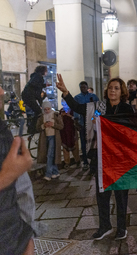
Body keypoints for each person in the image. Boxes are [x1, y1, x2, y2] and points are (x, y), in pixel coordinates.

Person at [56, 74, 134, 241]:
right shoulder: (98, 107)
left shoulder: (127, 109)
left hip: (120, 158)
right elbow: (77, 107)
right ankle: (105, 226)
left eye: (116, 88)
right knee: (102, 192)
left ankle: (121, 228)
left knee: (121, 194)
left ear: (122, 92)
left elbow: (132, 131)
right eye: (110, 88)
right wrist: (65, 92)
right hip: (102, 156)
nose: (112, 90)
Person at [0, 86, 35, 255]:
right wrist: (5, 177)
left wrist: (26, 236)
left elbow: (22, 190)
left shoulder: (3, 132)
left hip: (12, 239)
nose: (1, 92)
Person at [74, 81, 99, 171]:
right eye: (81, 87)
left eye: (84, 87)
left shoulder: (93, 96)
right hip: (82, 122)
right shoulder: (77, 98)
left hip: (92, 121)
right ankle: (85, 161)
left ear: (87, 87)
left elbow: (98, 107)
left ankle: (93, 160)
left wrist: (95, 118)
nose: (83, 89)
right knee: (84, 142)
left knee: (93, 141)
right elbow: (75, 110)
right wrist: (76, 121)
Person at [36, 101, 64, 181]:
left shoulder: (55, 115)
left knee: (50, 155)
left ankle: (48, 174)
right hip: (45, 138)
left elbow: (61, 126)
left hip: (54, 137)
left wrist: (53, 125)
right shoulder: (41, 116)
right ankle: (55, 172)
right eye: (45, 109)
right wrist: (43, 125)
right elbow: (37, 128)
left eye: (48, 109)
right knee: (51, 155)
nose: (47, 111)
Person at [22, 65, 48, 134]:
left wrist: (44, 85)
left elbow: (35, 85)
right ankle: (32, 128)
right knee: (38, 112)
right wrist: (40, 101)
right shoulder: (39, 77)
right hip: (30, 96)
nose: (47, 72)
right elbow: (37, 88)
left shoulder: (35, 76)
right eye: (46, 71)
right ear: (43, 71)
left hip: (27, 96)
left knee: (37, 111)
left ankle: (32, 128)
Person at [60, 99, 81, 169]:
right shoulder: (61, 111)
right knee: (65, 148)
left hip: (72, 131)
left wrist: (70, 116)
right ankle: (67, 163)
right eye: (63, 103)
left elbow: (77, 119)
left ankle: (77, 161)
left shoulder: (72, 110)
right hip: (64, 132)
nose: (65, 105)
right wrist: (62, 116)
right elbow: (59, 121)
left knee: (75, 147)